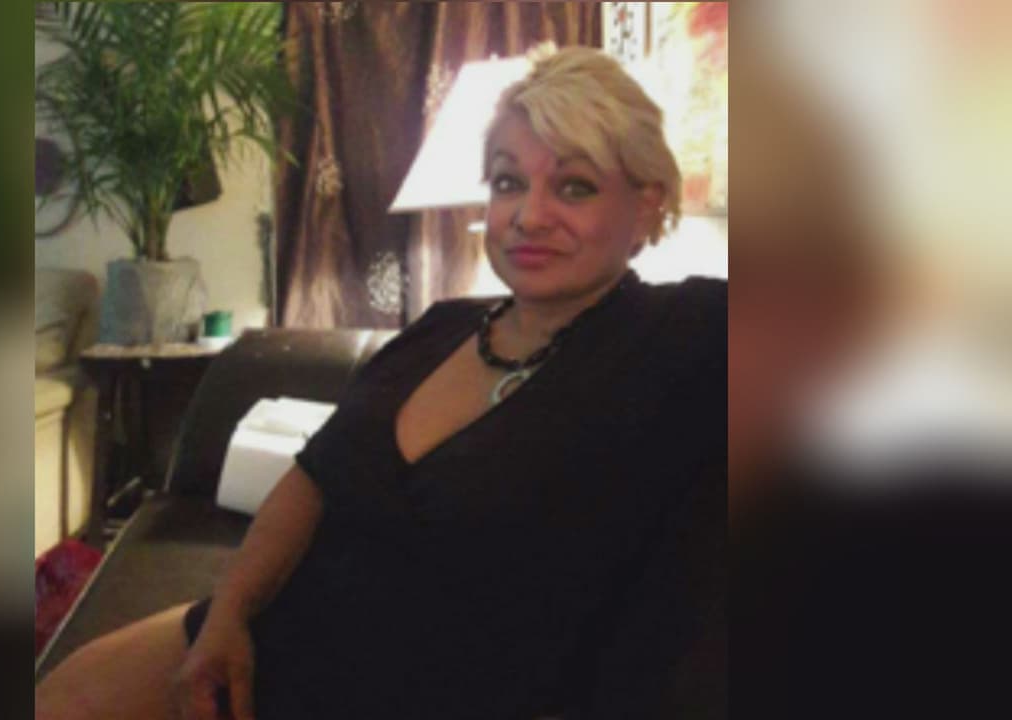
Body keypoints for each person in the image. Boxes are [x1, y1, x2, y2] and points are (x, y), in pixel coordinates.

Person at [36, 46, 725, 720]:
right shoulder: (441, 328)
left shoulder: (681, 334)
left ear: (646, 204)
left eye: (574, 187)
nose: (529, 216)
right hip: (289, 633)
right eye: (508, 182)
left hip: (435, 689)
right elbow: (311, 482)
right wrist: (229, 617)